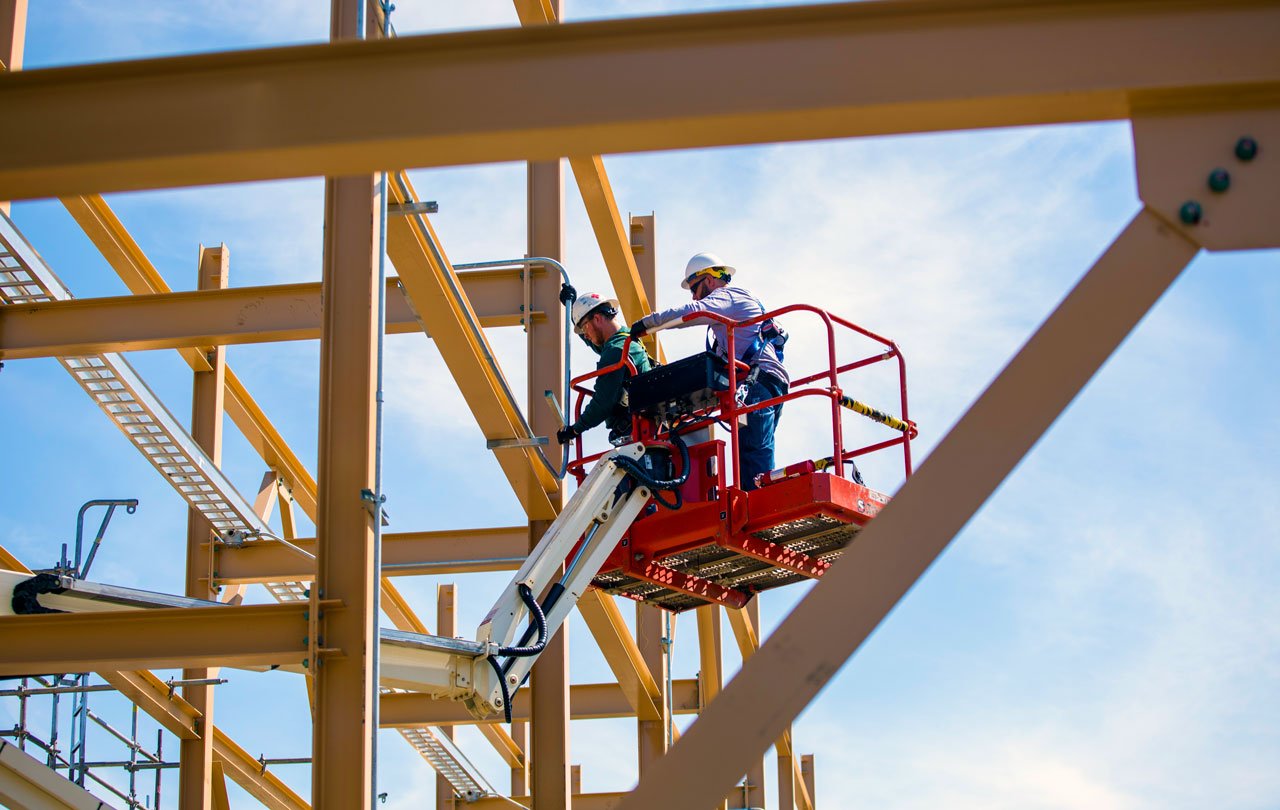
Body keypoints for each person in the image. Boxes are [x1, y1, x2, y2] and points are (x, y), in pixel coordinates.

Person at [630, 253, 788, 491]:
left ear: (710, 279)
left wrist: (648, 324)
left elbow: (693, 311)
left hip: (759, 380)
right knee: (752, 447)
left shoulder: (727, 296)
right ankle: (755, 496)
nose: (693, 294)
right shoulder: (734, 306)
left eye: (695, 287)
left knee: (754, 449)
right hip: (764, 380)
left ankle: (760, 500)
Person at [557, 292, 654, 446]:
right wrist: (572, 307)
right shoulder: (627, 338)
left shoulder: (616, 350)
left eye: (584, 329)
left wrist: (575, 429)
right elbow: (597, 343)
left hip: (635, 434)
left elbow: (603, 401)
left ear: (597, 318)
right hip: (645, 429)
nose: (585, 336)